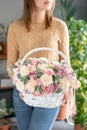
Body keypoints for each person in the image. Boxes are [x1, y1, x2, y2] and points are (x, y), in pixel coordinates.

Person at [7, 0, 70, 130]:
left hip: (50, 94)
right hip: (22, 94)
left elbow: (65, 63)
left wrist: (67, 86)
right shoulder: (15, 27)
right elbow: (11, 64)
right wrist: (21, 85)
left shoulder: (60, 26)